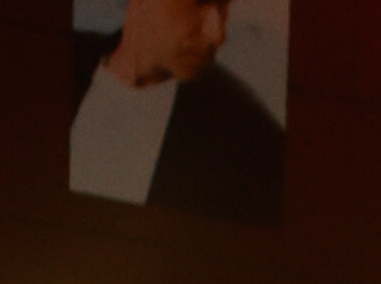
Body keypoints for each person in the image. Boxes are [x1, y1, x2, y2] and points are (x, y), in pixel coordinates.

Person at [69, 0, 286, 225]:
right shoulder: (58, 61)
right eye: (199, 3)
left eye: (223, 8)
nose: (217, 34)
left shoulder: (251, 145)